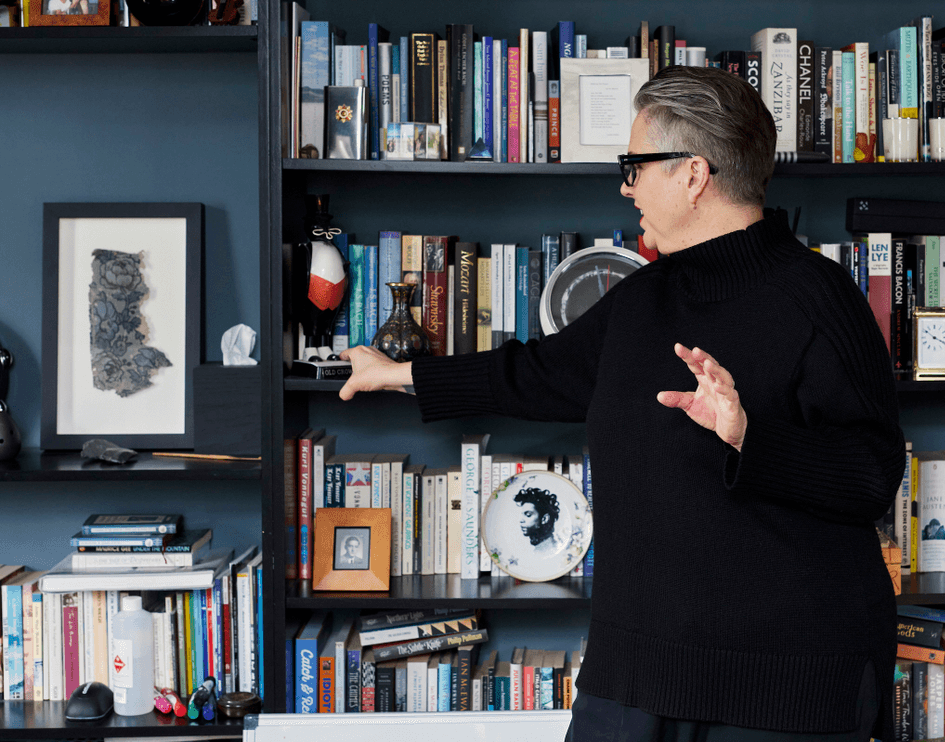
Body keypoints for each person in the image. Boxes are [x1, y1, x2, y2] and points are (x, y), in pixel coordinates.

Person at [340, 65, 905, 741]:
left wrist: (751, 436)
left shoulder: (818, 298)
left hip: (784, 691)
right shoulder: (644, 300)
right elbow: (541, 373)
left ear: (692, 175)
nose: (625, 183)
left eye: (636, 164)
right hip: (633, 684)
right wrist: (401, 375)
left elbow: (871, 475)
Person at [515, 485, 561, 553]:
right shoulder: (539, 550)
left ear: (544, 519)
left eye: (528, 515)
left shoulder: (549, 550)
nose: (521, 520)